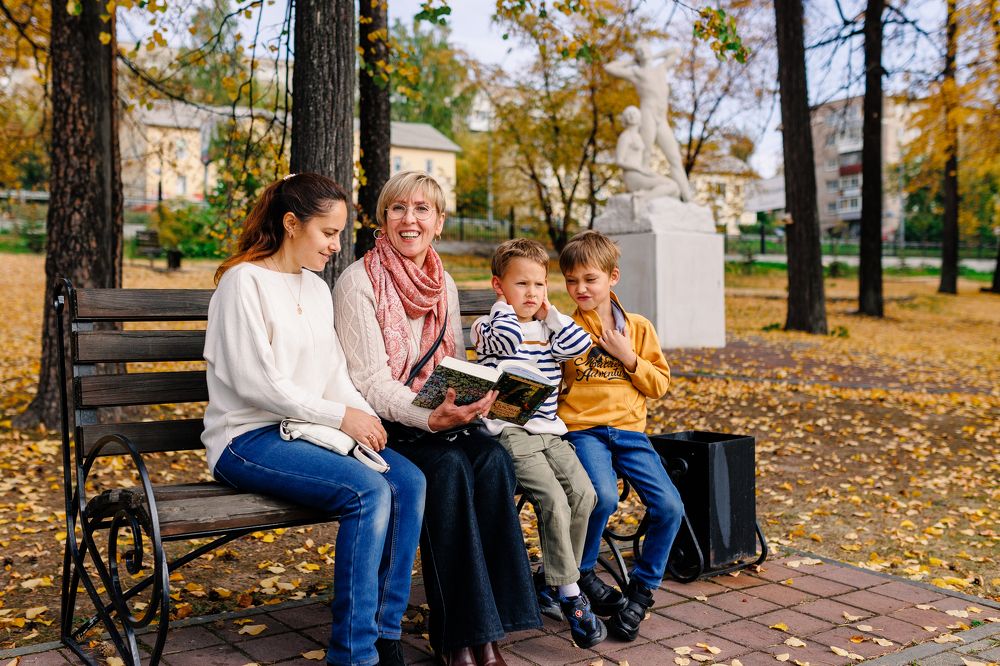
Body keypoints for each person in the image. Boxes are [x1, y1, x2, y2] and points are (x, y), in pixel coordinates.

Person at [202, 173, 426, 666]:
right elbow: (254, 383)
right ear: (290, 224)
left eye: (340, 233)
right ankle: (353, 654)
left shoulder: (316, 288)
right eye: (328, 233)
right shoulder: (244, 282)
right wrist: (340, 417)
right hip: (246, 438)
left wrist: (365, 419)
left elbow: (332, 374)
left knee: (408, 481)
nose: (336, 244)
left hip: (305, 430)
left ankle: (385, 635)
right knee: (365, 493)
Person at [333, 171, 540, 666]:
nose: (411, 219)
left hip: (440, 418)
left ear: (439, 222)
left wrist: (481, 396)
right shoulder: (357, 281)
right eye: (398, 208)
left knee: (491, 460)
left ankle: (489, 632)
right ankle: (457, 636)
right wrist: (430, 419)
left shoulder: (442, 281)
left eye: (423, 209)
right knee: (446, 471)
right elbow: (371, 382)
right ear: (382, 219)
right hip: (386, 427)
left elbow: (454, 363)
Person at [470, 239, 603, 649]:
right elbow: (506, 344)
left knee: (585, 495)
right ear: (498, 285)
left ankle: (550, 577)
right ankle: (570, 595)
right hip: (510, 428)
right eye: (521, 284)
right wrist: (506, 310)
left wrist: (551, 315)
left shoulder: (550, 328)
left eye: (540, 285)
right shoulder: (489, 326)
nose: (532, 294)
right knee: (554, 501)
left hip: (550, 428)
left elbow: (581, 348)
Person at [556, 230, 684, 642]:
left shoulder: (639, 329)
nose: (580, 289)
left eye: (589, 279)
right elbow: (555, 386)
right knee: (603, 497)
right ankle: (584, 571)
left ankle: (642, 592)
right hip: (584, 431)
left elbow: (659, 385)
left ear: (613, 277)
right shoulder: (565, 331)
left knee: (669, 507)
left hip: (629, 434)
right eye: (572, 281)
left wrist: (628, 357)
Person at [605, 41, 693, 202]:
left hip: (662, 118)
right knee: (646, 154)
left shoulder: (660, 68)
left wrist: (654, 56)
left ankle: (688, 197)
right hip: (648, 115)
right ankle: (642, 191)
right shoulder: (636, 72)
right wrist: (633, 61)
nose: (642, 52)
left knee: (674, 157)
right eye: (638, 51)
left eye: (645, 49)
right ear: (636, 55)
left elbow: (675, 50)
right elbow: (609, 68)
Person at [616, 105, 680, 200]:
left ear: (639, 117)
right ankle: (641, 201)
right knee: (672, 185)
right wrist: (639, 169)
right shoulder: (625, 137)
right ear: (625, 118)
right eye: (628, 114)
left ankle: (644, 197)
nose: (631, 116)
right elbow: (619, 161)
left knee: (675, 189)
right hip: (633, 176)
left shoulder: (638, 137)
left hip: (642, 173)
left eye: (634, 113)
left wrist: (647, 172)